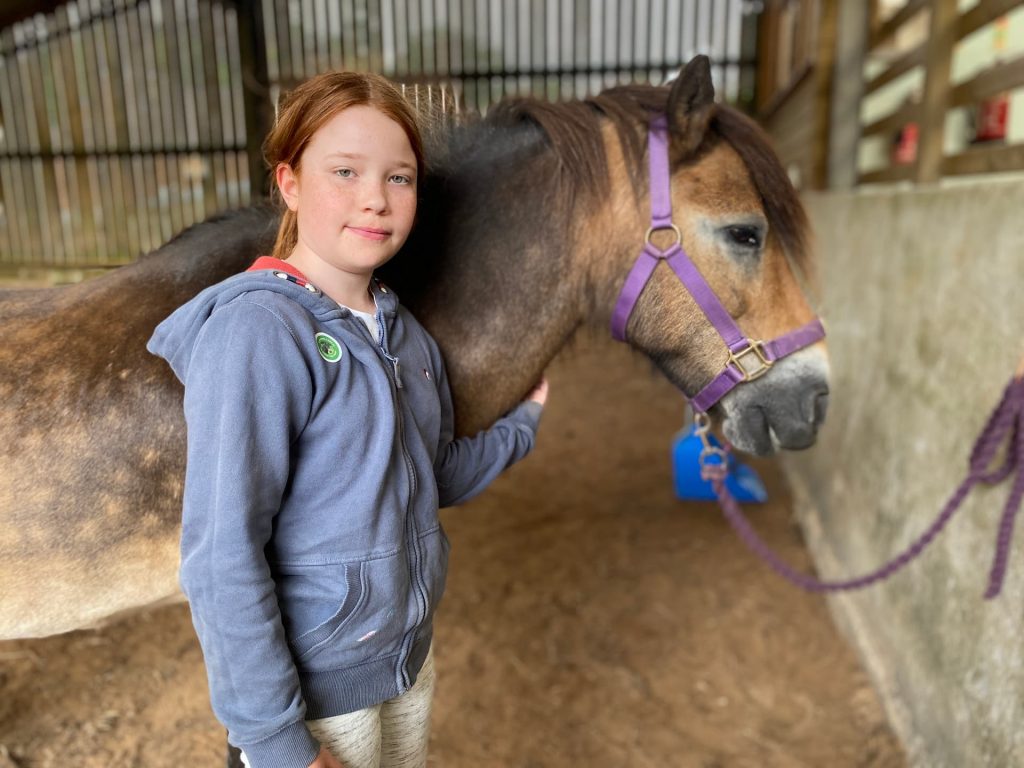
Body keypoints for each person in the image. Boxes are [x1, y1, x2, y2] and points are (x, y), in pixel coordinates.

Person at [147, 71, 547, 768]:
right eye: (345, 171)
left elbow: (433, 471)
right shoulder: (260, 333)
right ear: (291, 184)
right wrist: (276, 744)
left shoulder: (406, 335)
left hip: (405, 663)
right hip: (320, 696)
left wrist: (522, 426)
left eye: (400, 178)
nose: (376, 199)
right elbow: (222, 556)